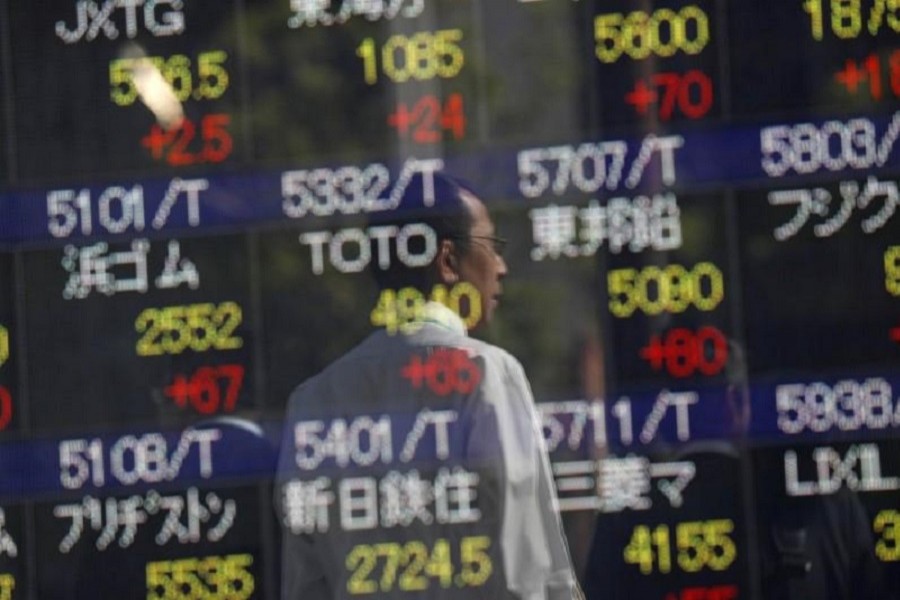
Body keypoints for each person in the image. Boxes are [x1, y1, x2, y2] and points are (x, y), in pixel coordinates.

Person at [275, 172, 582, 599]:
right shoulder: (487, 374)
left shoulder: (312, 401)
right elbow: (525, 570)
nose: (502, 267)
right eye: (492, 247)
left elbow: (306, 584)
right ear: (448, 261)